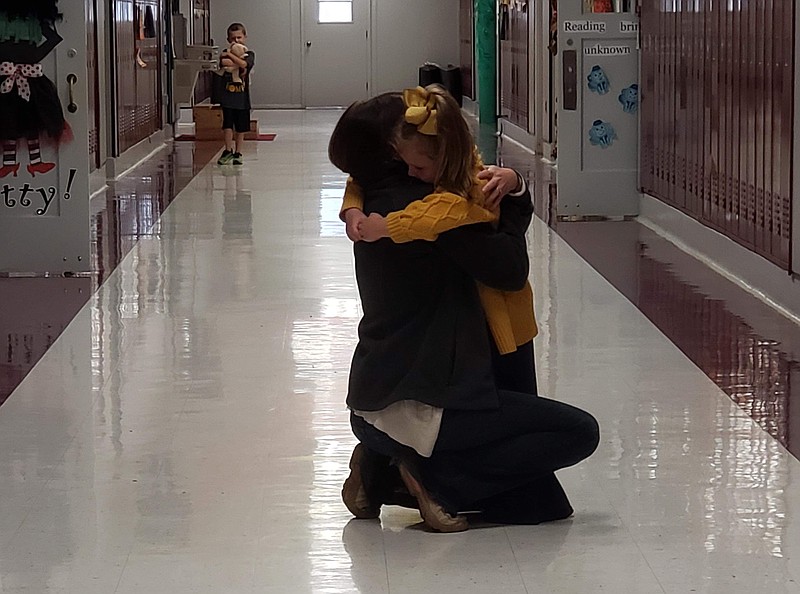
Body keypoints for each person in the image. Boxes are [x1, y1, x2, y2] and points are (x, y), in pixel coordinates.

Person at [329, 92, 599, 532]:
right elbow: (509, 270)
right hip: (435, 396)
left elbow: (381, 175)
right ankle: (428, 481)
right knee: (560, 458)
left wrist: (511, 180)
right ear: (397, 155)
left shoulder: (375, 200)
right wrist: (511, 199)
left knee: (536, 493)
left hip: (372, 399)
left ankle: (382, 466)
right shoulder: (436, 214)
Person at [343, 84, 538, 394]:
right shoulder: (435, 163)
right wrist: (352, 207)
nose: (411, 172)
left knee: (517, 402)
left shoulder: (461, 195)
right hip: (478, 323)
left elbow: (425, 219)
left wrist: (382, 227)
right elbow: (358, 179)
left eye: (418, 167)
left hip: (504, 322)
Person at [216, 22, 255, 166]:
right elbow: (225, 63)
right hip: (227, 97)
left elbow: (245, 64)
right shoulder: (225, 53)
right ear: (228, 40)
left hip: (242, 98)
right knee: (227, 124)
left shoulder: (249, 54)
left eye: (239, 37)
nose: (236, 41)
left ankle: (238, 152)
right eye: (233, 39)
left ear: (245, 37)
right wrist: (234, 60)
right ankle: (228, 150)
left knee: (241, 127)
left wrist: (232, 58)